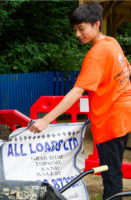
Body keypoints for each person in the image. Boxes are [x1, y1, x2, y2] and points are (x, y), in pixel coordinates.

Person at [28, 3, 131, 199]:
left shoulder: (97, 53)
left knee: (111, 175)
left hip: (111, 120)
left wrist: (46, 119)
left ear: (96, 24)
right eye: (75, 29)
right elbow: (127, 69)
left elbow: (77, 92)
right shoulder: (112, 43)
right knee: (114, 168)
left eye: (81, 28)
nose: (77, 34)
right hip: (123, 117)